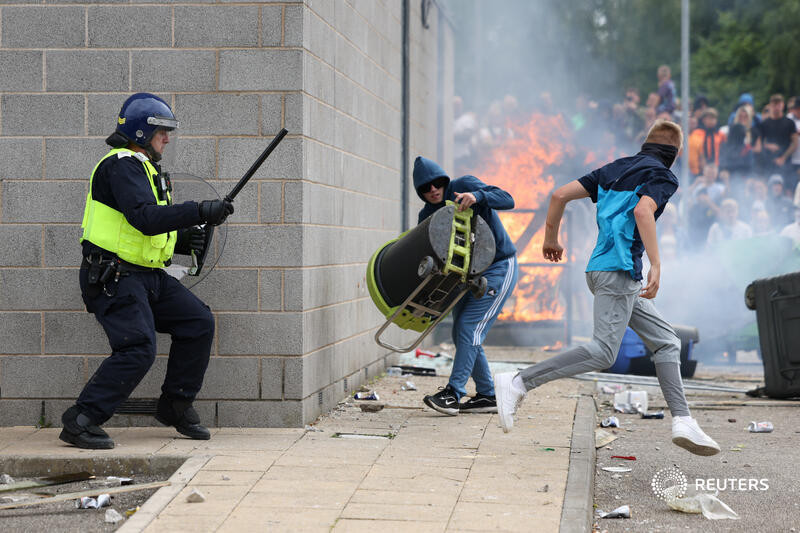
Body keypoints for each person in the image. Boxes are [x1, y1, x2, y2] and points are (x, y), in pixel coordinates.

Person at [494, 119, 720, 456]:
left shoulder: (614, 168)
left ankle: (683, 420)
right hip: (618, 273)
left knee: (667, 342)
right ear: (675, 153)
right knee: (603, 352)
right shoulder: (663, 175)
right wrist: (656, 264)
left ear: (646, 144)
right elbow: (643, 211)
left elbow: (558, 195)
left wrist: (551, 239)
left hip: (605, 272)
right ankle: (519, 381)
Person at [60, 93, 234, 449]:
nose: (167, 139)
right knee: (138, 347)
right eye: (161, 132)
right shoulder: (121, 165)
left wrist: (185, 238)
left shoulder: (145, 168)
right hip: (114, 276)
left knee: (198, 322)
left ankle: (175, 406)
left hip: (145, 275)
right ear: (141, 132)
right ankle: (81, 419)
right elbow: (145, 218)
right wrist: (199, 210)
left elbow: (145, 230)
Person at [413, 156, 518, 415]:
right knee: (461, 331)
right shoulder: (427, 215)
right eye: (425, 188)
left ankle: (453, 393)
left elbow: (508, 199)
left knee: (470, 327)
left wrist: (477, 196)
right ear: (420, 193)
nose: (433, 190)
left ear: (444, 181)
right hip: (463, 278)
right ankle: (487, 395)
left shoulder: (464, 185)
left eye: (437, 183)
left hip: (498, 267)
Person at [754, 94, 798, 184]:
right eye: (774, 105)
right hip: (768, 163)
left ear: (783, 105)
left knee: (786, 188)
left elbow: (795, 143)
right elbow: (759, 144)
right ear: (770, 106)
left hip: (786, 164)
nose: (776, 107)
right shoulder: (764, 124)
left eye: (778, 104)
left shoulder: (789, 123)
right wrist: (768, 146)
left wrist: (783, 157)